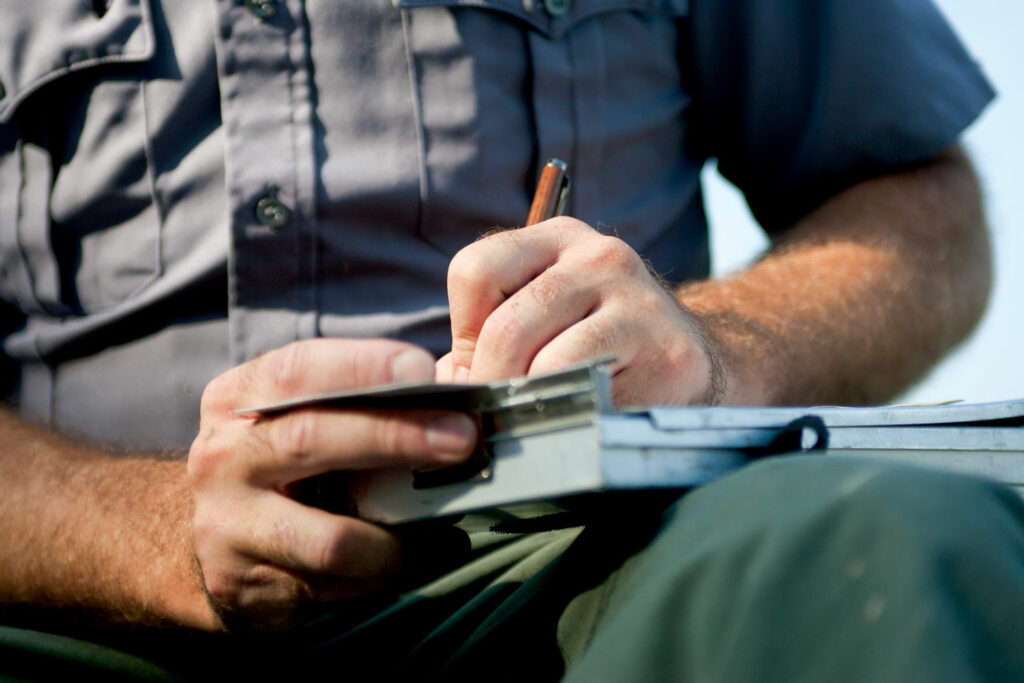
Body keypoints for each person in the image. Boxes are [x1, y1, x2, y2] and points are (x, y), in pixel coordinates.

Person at [2, 0, 1022, 679]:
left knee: (890, 535)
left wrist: (721, 351)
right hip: (85, 618)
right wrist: (160, 534)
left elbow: (919, 201)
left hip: (578, 569)